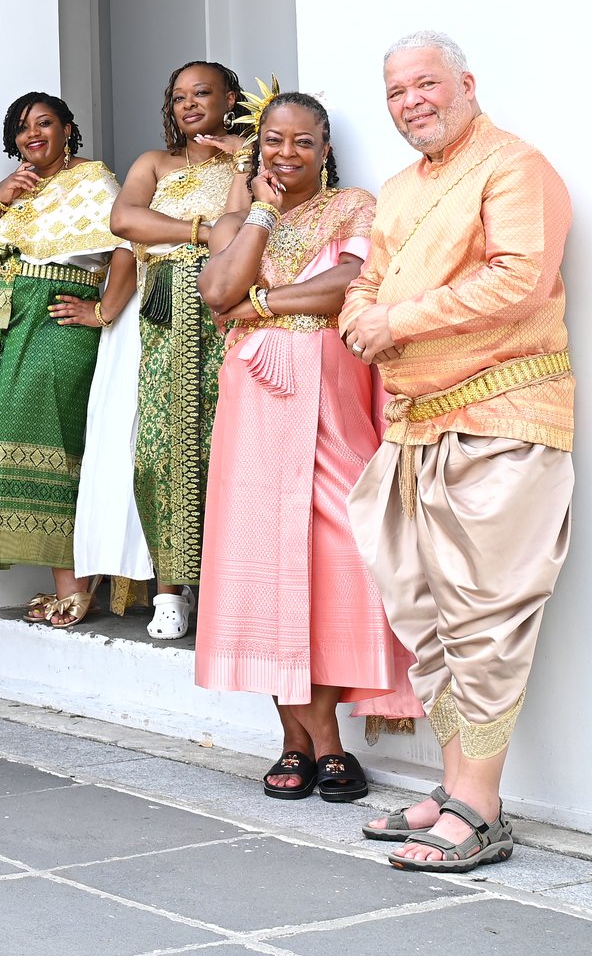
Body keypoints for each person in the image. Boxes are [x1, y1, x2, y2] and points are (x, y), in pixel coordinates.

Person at [341, 32, 574, 873]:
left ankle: (481, 808)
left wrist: (394, 322)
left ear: (467, 83)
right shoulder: (401, 187)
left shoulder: (515, 168)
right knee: (425, 611)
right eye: (396, 91)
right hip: (412, 423)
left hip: (501, 416)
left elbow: (519, 278)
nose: (412, 102)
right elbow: (364, 282)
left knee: (486, 611)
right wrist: (360, 315)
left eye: (426, 83)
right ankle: (453, 786)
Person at [193, 86, 418, 803]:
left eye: (302, 142)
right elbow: (214, 288)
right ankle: (308, 742)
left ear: (325, 150)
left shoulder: (353, 206)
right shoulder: (238, 219)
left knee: (336, 558)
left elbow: (348, 283)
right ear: (257, 149)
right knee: (263, 560)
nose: (286, 154)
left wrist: (257, 304)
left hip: (331, 405)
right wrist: (258, 210)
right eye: (273, 141)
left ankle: (315, 735)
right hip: (255, 406)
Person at [79, 59, 249, 640]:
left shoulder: (249, 161)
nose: (189, 104)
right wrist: (202, 232)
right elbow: (124, 219)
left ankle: (222, 584)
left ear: (231, 98)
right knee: (159, 445)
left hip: (228, 306)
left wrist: (241, 160)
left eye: (203, 93)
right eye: (179, 96)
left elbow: (245, 224)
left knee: (226, 442)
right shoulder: (155, 163)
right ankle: (169, 589)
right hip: (163, 310)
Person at [0, 93, 134, 628]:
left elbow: (129, 247)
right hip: (10, 327)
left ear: (68, 129)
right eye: (21, 127)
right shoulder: (18, 190)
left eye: (44, 124)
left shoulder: (95, 182)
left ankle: (75, 586)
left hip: (58, 325)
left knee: (58, 445)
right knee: (18, 441)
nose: (31, 134)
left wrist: (104, 310)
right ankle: (67, 577)